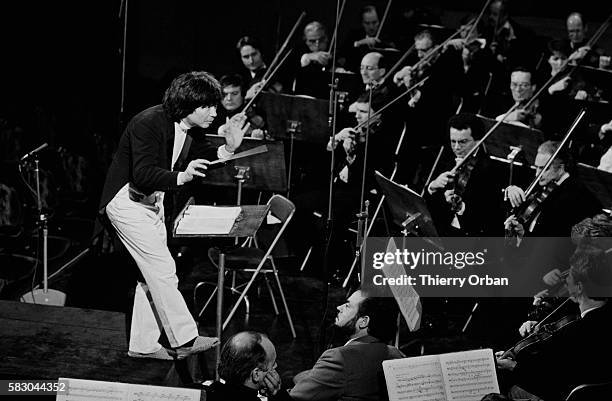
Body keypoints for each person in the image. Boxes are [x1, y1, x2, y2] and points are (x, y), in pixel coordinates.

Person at [99, 71, 249, 360]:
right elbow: (142, 173)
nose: (215, 113)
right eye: (209, 107)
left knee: (150, 274)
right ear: (189, 104)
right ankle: (185, 338)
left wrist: (229, 147)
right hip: (127, 204)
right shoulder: (148, 122)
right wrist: (181, 176)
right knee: (164, 268)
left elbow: (204, 154)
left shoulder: (189, 128)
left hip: (153, 203)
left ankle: (144, 345)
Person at [495, 248, 612, 400]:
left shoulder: (573, 333)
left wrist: (513, 367)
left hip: (574, 394)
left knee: (511, 391)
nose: (565, 282)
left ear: (579, 287)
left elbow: (550, 385)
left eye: (568, 277)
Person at [288, 289, 404, 401]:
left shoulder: (338, 357)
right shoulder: (395, 354)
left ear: (363, 322)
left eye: (348, 306)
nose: (339, 308)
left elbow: (296, 396)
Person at [425, 113, 505, 236]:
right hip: (441, 231)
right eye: (453, 141)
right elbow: (428, 204)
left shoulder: (492, 168)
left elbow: (491, 216)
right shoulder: (445, 156)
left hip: (472, 237)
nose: (456, 148)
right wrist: (433, 187)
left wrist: (461, 208)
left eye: (463, 142)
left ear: (478, 141)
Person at [206, 331, 288, 401]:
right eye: (273, 364)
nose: (276, 366)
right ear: (256, 374)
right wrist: (279, 395)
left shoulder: (204, 393)